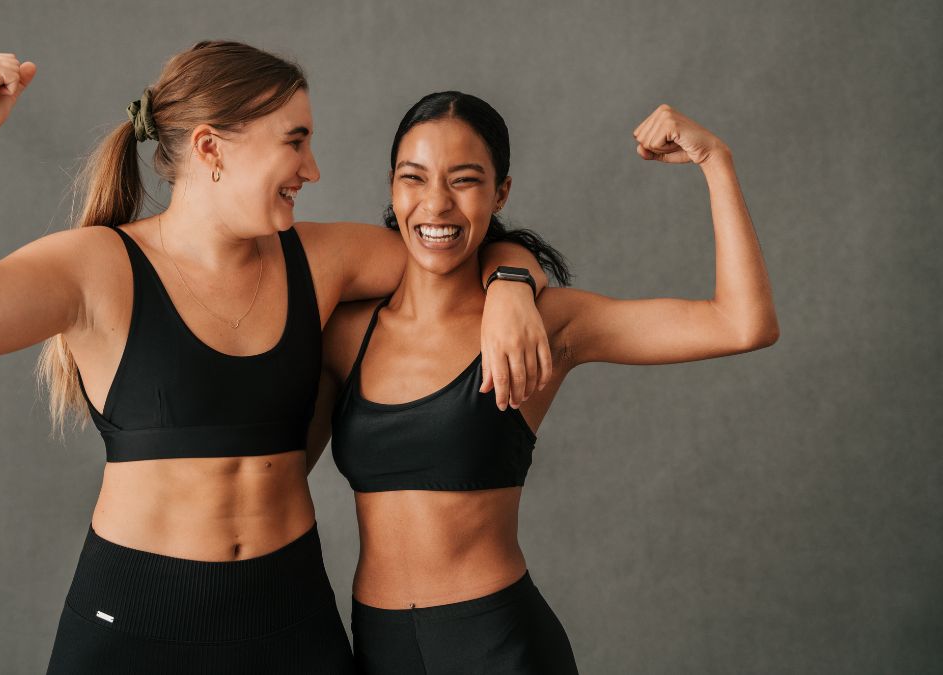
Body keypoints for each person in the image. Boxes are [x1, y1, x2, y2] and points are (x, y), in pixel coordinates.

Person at [0, 43, 553, 673]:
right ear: (210, 148)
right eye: (295, 142)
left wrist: (514, 282)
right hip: (134, 626)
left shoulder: (320, 260)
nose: (312, 169)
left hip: (290, 623)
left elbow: (447, 235)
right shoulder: (98, 268)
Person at [309, 91, 779, 674]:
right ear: (392, 186)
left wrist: (717, 162)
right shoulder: (345, 333)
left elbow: (741, 323)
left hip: (498, 646)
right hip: (378, 648)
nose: (436, 203)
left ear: (500, 192)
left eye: (465, 180)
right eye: (414, 178)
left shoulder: (551, 324)